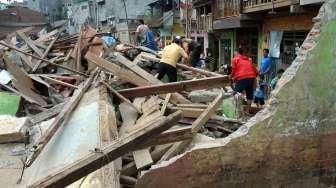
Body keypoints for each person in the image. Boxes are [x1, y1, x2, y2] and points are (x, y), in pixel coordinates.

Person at [231, 47, 258, 113]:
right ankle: (247, 110)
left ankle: (236, 111)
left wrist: (231, 77)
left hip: (242, 77)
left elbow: (233, 70)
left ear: (238, 53)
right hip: (251, 77)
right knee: (249, 95)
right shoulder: (248, 60)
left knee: (236, 94)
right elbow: (256, 71)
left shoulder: (235, 59)